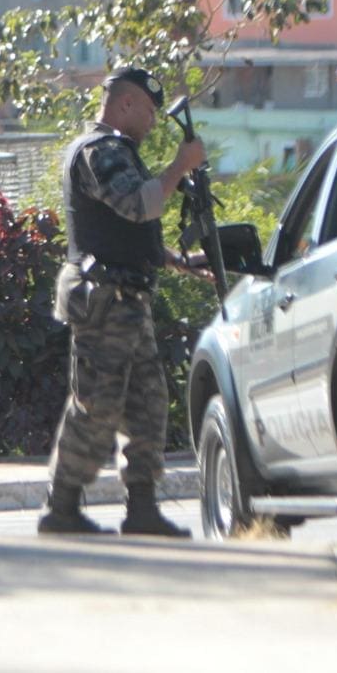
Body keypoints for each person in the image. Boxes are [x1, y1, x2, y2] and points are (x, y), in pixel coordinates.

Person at [35, 67, 206, 538]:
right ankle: (62, 506)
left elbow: (127, 229)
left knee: (147, 402)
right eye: (149, 112)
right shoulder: (100, 152)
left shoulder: (117, 152)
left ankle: (143, 507)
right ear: (126, 104)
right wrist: (179, 166)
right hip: (106, 300)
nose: (152, 123)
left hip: (127, 297)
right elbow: (139, 205)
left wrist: (173, 260)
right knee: (96, 404)